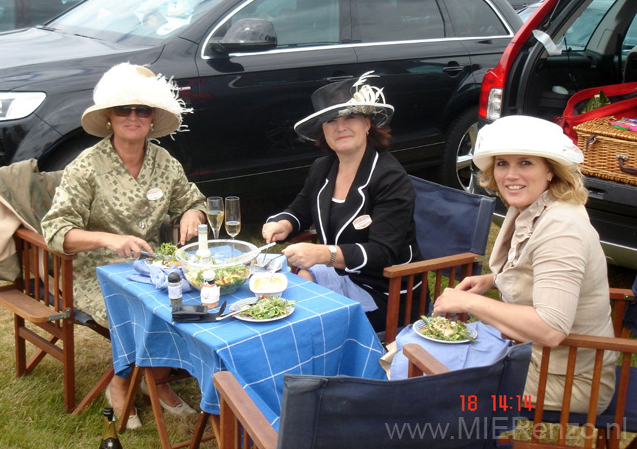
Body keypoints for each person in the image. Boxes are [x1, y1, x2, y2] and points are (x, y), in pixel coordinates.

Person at [42, 63, 207, 428]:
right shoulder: (85, 167)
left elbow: (193, 201)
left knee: (194, 298)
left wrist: (192, 214)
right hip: (95, 271)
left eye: (142, 109)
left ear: (152, 119)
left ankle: (156, 380)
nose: (133, 116)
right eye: (124, 109)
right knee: (152, 309)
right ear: (109, 118)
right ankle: (121, 384)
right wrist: (107, 238)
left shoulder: (164, 162)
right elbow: (56, 230)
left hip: (152, 264)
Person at [433, 115, 617, 413]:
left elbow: (550, 329)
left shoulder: (561, 229)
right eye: (502, 163)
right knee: (429, 357)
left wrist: (468, 302)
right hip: (526, 356)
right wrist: (493, 280)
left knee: (444, 392)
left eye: (525, 163)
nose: (510, 174)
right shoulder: (536, 206)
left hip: (568, 382)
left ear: (550, 171)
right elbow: (537, 268)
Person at [261, 72, 420, 331]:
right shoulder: (322, 167)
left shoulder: (390, 177)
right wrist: (285, 224)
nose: (340, 127)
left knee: (299, 317)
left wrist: (325, 254)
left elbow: (383, 252)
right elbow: (300, 210)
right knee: (288, 303)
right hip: (341, 275)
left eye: (351, 117)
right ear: (323, 131)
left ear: (368, 124)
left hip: (385, 292)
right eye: (331, 121)